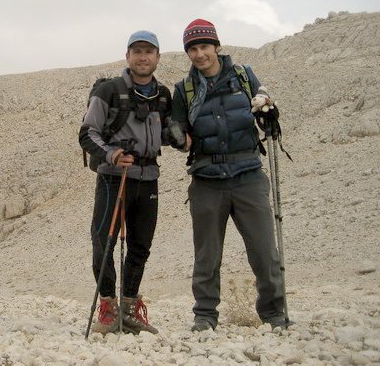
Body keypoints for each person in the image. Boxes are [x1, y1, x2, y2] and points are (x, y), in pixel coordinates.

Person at [169, 19, 289, 331]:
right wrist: (177, 135)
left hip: (248, 174)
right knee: (207, 256)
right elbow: (178, 131)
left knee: (264, 251)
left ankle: (275, 313)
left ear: (216, 46)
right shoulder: (185, 90)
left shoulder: (244, 76)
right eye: (192, 48)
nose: (199, 54)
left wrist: (270, 115)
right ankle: (205, 316)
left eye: (204, 46)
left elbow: (262, 115)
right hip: (207, 179)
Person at [79, 30, 172, 335]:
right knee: (104, 243)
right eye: (137, 51)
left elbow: (169, 132)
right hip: (113, 178)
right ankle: (108, 307)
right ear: (128, 56)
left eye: (149, 52)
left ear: (158, 57)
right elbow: (87, 132)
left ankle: (130, 308)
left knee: (140, 246)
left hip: (148, 178)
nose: (143, 57)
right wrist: (111, 153)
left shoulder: (163, 95)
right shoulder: (109, 91)